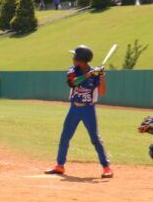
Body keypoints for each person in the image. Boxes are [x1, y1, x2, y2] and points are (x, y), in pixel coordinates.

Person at [45, 45, 112, 178]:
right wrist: (89, 74)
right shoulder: (73, 70)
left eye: (74, 56)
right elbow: (72, 83)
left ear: (80, 59)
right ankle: (59, 165)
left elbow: (103, 92)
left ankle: (106, 168)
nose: (73, 58)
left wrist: (102, 76)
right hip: (74, 108)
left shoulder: (96, 73)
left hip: (89, 109)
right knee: (65, 137)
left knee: (95, 139)